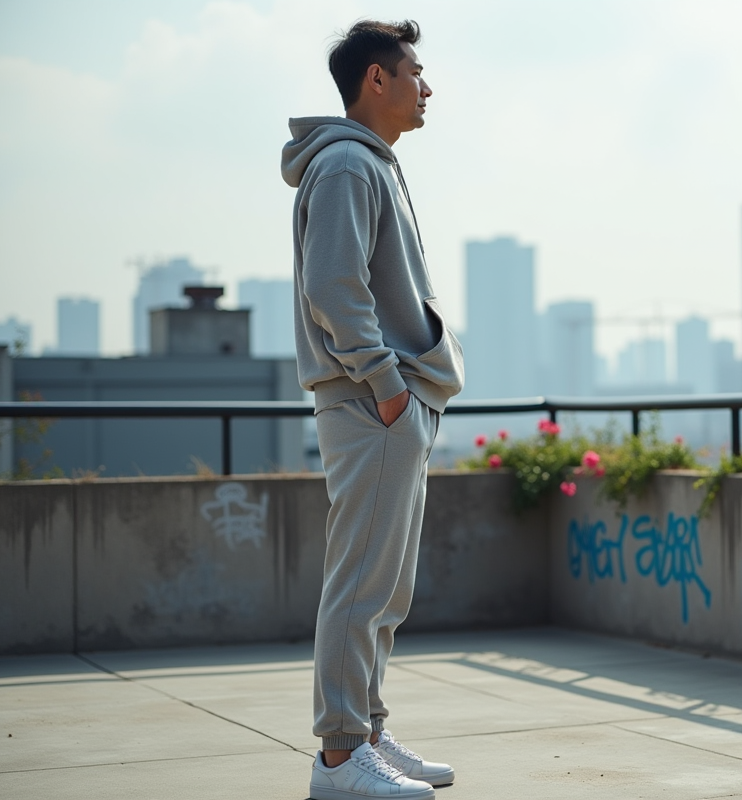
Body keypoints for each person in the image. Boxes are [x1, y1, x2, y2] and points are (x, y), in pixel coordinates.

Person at [281, 19, 464, 800]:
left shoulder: (368, 164)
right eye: (415, 72)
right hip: (372, 403)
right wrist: (388, 384)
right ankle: (339, 758)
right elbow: (334, 288)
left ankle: (369, 737)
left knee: (383, 590)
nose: (428, 87)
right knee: (361, 585)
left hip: (386, 401)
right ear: (375, 81)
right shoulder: (351, 164)